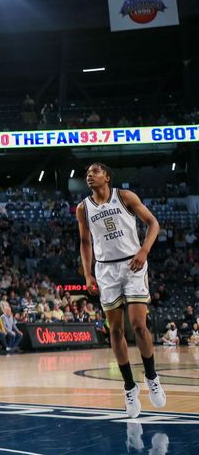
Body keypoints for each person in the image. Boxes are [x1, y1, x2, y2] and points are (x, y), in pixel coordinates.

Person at [77, 163, 166, 418]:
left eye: (94, 171)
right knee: (115, 330)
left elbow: (153, 224)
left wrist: (144, 251)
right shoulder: (83, 208)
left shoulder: (125, 197)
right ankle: (129, 386)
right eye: (87, 174)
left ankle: (151, 377)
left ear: (107, 176)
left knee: (138, 325)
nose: (89, 175)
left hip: (133, 263)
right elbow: (85, 242)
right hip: (105, 271)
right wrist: (87, 273)